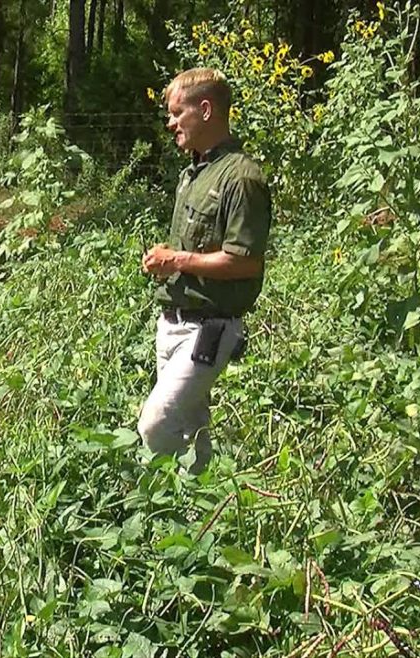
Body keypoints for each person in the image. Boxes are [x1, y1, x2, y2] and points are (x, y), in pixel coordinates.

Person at [137, 67, 272, 473]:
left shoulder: (242, 178)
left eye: (178, 112)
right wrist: (168, 255)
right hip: (172, 325)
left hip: (208, 331)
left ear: (206, 109)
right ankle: (198, 512)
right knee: (192, 431)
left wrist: (176, 260)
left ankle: (162, 499)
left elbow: (245, 261)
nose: (170, 122)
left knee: (155, 424)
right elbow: (197, 248)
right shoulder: (193, 173)